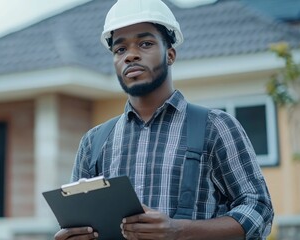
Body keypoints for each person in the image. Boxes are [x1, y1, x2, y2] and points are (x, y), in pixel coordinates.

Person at [54, 0, 274, 239]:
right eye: (120, 49)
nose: (130, 56)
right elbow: (80, 221)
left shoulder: (216, 127)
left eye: (145, 43)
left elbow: (259, 210)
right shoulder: (94, 142)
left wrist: (178, 230)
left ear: (170, 55)